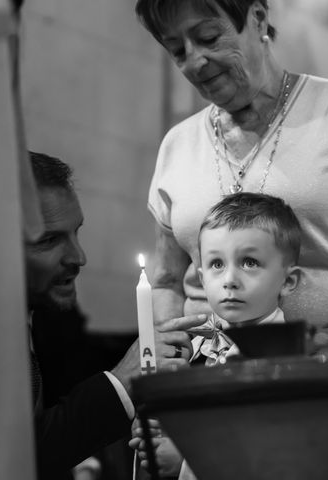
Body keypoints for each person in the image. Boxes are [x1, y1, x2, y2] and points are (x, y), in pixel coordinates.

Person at [135, 0, 328, 358]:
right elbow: (168, 281)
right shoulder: (178, 144)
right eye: (177, 50)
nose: (194, 62)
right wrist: (171, 355)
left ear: (258, 18)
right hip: (212, 376)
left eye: (208, 38)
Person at [25, 152, 207, 479]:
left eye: (76, 233)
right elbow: (23, 454)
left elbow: (79, 371)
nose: (79, 257)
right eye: (49, 240)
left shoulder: (49, 313)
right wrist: (122, 382)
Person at [130, 192, 303, 478]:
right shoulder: (193, 349)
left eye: (249, 262)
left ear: (288, 281)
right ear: (201, 278)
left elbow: (274, 451)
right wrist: (155, 437)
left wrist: (186, 463)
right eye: (216, 264)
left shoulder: (288, 359)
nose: (230, 280)